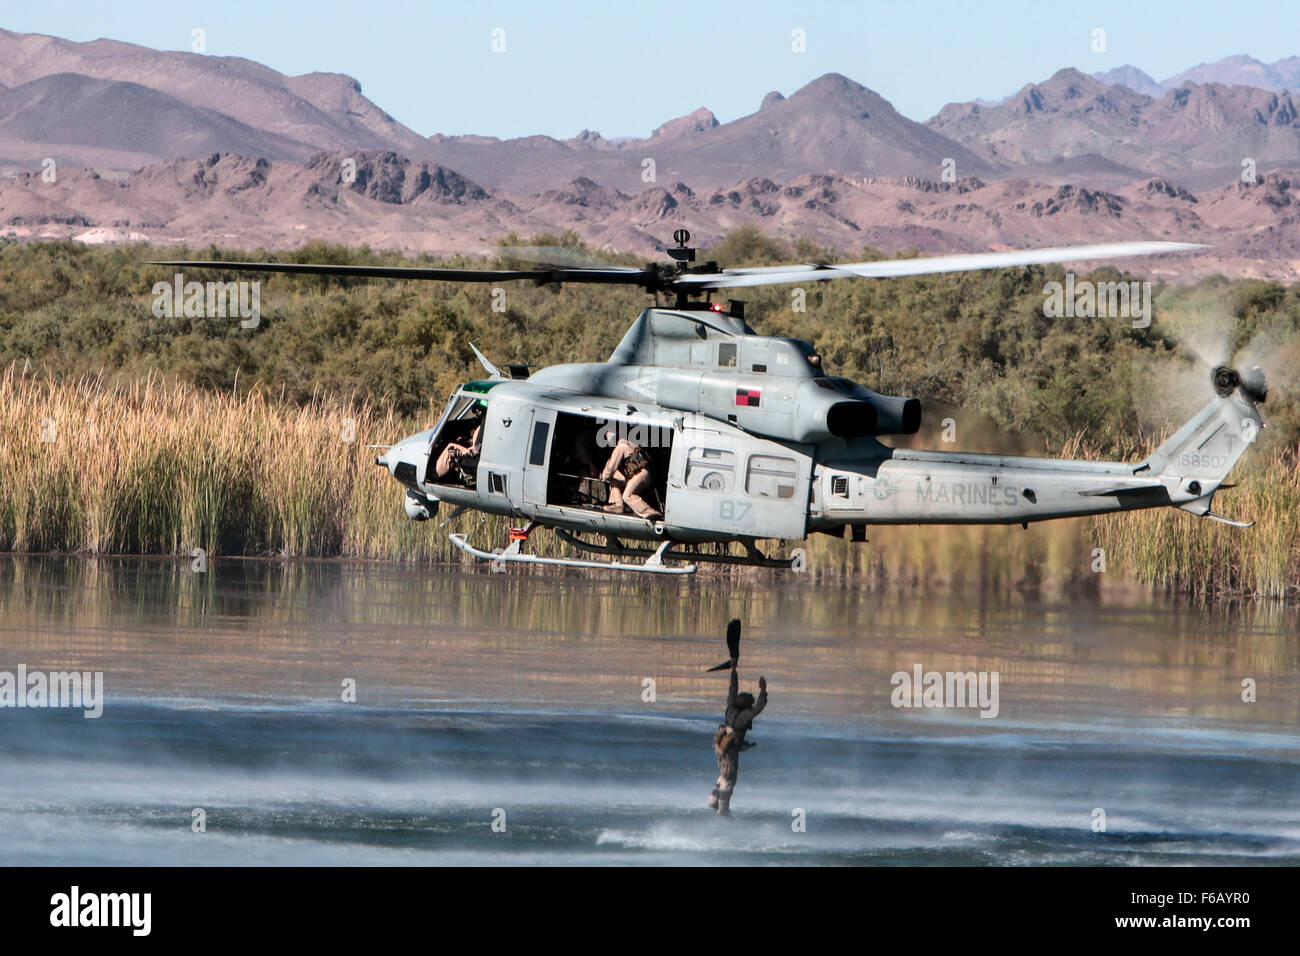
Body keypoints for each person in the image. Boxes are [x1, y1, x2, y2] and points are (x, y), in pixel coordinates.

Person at [708, 628, 767, 816]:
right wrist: (763, 691)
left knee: (723, 774)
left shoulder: (730, 708)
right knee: (729, 779)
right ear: (746, 706)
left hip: (719, 747)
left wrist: (733, 670)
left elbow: (733, 688)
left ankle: (713, 799)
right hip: (730, 750)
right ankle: (722, 811)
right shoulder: (743, 718)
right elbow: (758, 708)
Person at [600, 434, 662, 521]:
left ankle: (649, 512)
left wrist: (603, 476)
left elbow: (610, 469)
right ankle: (618, 504)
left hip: (641, 475)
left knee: (627, 496)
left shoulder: (620, 447)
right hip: (642, 474)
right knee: (614, 478)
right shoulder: (629, 442)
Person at [433, 408, 484, 482]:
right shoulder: (487, 422)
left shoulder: (484, 423)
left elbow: (475, 449)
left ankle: (436, 473)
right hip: (476, 452)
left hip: (474, 454)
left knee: (451, 447)